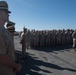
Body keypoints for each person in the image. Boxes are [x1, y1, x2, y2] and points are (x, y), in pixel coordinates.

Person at [0, 1, 22, 75]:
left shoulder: (4, 30)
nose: (8, 15)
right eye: (6, 12)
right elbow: (1, 57)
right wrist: (16, 66)